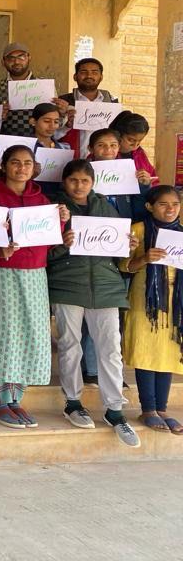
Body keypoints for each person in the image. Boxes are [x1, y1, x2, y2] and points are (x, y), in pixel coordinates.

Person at [49, 159, 140, 447]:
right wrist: (62, 242)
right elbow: (42, 251)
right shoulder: (54, 208)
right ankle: (73, 403)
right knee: (69, 345)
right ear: (64, 182)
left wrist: (128, 246)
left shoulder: (105, 207)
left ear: (93, 183)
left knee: (111, 349)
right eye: (73, 180)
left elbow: (116, 251)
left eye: (85, 181)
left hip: (106, 286)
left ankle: (115, 411)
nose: (79, 186)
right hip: (67, 284)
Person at [0, 145, 69, 429]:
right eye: (15, 162)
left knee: (32, 334)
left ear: (34, 167)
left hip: (35, 274)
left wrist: (61, 222)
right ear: (4, 165)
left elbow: (49, 240)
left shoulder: (42, 201)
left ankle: (16, 398)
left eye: (27, 163)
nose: (21, 168)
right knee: (4, 334)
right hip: (1, 272)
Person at [121, 186, 183, 435]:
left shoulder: (181, 234)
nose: (170, 209)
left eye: (175, 204)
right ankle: (148, 409)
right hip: (145, 299)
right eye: (163, 204)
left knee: (168, 352)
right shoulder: (138, 230)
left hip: (175, 302)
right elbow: (124, 267)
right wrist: (145, 258)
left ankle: (163, 409)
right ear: (149, 206)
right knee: (146, 349)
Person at [0, 42, 67, 138]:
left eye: (21, 57)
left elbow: (56, 122)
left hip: (39, 143)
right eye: (11, 58)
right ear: (3, 62)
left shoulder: (44, 86)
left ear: (29, 58)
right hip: (5, 143)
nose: (16, 62)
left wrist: (62, 113)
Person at [57, 58, 118, 156]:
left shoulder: (112, 102)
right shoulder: (62, 102)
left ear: (101, 77)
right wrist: (66, 124)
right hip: (70, 159)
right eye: (83, 72)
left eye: (94, 72)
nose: (89, 76)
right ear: (75, 76)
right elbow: (51, 135)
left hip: (103, 159)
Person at [111, 111, 159, 186]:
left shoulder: (140, 154)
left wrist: (148, 181)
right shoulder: (106, 154)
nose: (135, 145)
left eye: (140, 141)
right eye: (131, 140)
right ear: (119, 135)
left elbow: (154, 180)